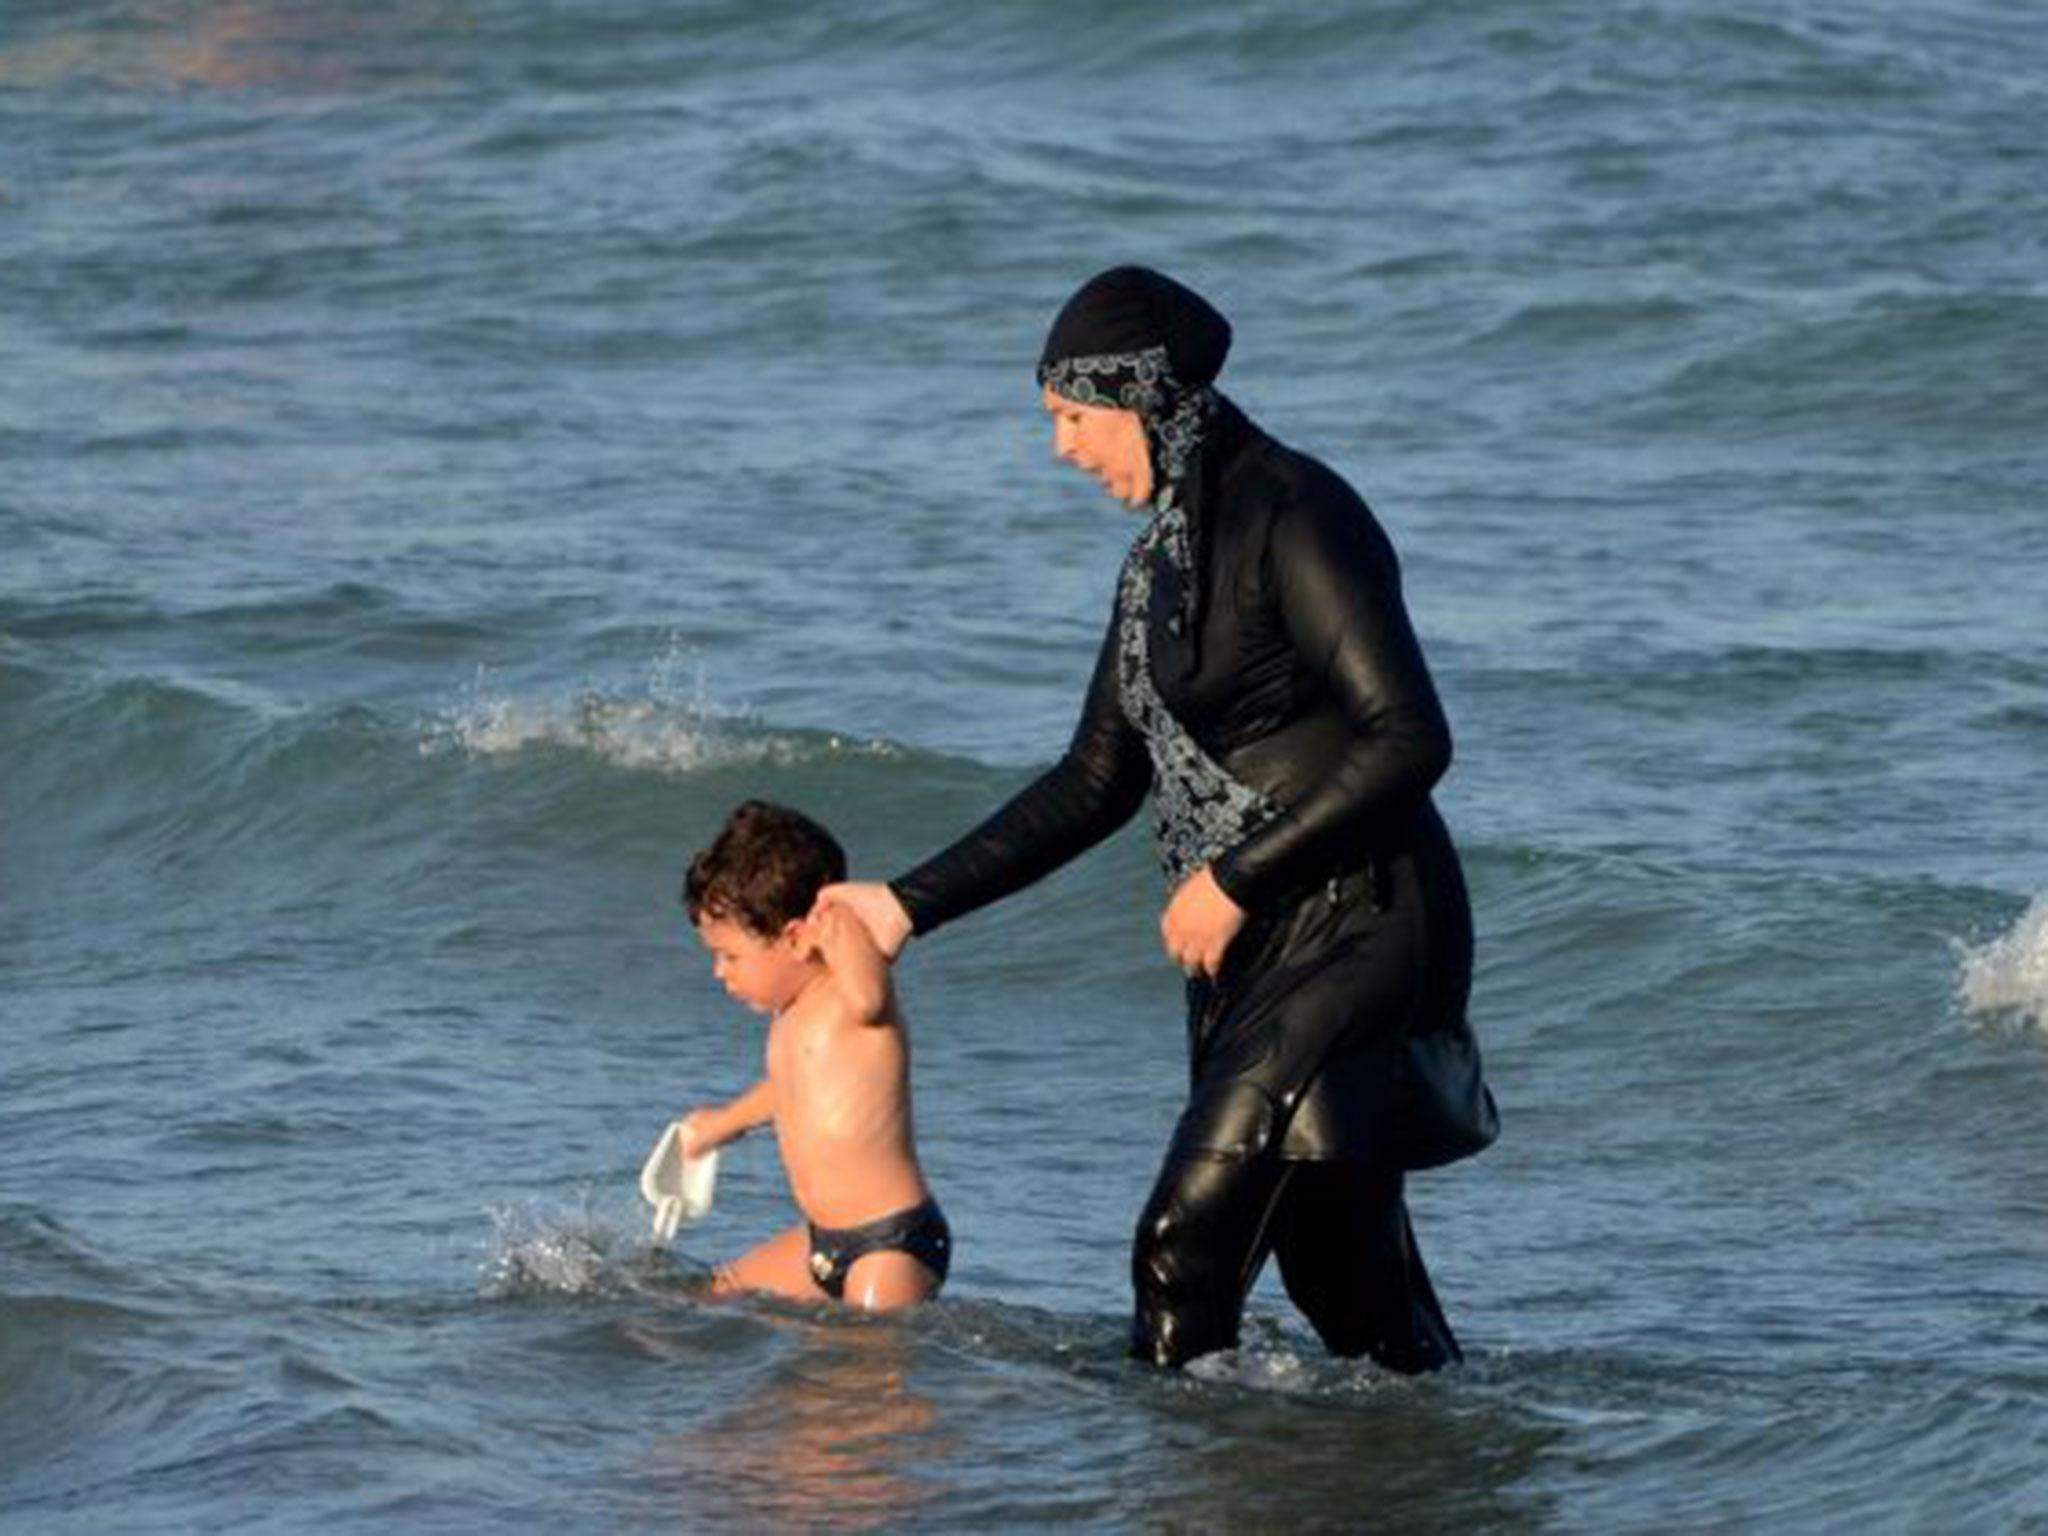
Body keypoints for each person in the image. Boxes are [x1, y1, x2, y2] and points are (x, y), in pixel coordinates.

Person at [820, 266, 1497, 1370]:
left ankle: (1166, 1484)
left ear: (1144, 397)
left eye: (1072, 418)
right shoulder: (1156, 568)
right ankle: (1449, 1473)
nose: (1062, 450)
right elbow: (1094, 778)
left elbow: (1409, 739)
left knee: (1182, 1245)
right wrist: (904, 904)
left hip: (1363, 923)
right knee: (1343, 1278)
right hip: (1258, 944)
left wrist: (1231, 878)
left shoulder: (1298, 514)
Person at [678, 800, 950, 1311]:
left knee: (867, 1368)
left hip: (890, 1244)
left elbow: (871, 997)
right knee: (716, 1297)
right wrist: (721, 1125)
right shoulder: (793, 1018)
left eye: (730, 956)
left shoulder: (853, 993)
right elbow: (790, 1093)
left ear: (799, 937)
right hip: (821, 1242)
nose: (720, 972)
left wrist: (843, 923)